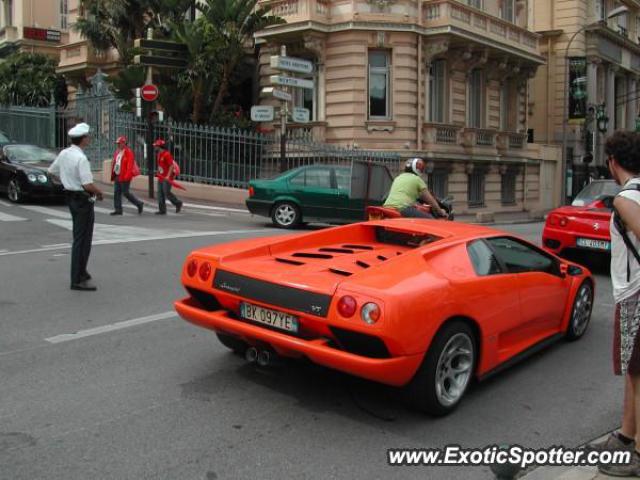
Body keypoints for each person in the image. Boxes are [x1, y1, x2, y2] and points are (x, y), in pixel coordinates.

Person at [588, 131, 640, 476]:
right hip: (632, 294)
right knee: (633, 372)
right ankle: (625, 436)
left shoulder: (625, 199)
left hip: (636, 295)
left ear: (612, 162)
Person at [48, 123, 103, 291]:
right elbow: (88, 185)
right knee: (83, 239)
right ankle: (77, 279)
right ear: (84, 139)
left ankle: (82, 271)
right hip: (82, 199)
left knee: (80, 237)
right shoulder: (81, 159)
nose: (89, 139)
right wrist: (100, 193)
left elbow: (51, 171)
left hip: (71, 197)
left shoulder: (64, 153)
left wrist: (65, 183)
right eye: (88, 136)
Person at [110, 136, 143, 215]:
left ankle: (138, 203)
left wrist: (127, 176)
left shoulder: (128, 152)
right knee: (116, 192)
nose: (118, 145)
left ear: (124, 143)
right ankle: (118, 209)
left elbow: (130, 166)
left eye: (119, 143)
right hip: (117, 175)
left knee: (125, 193)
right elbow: (115, 163)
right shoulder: (117, 152)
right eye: (117, 143)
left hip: (125, 176)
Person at [153, 138, 183, 215]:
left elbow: (171, 166)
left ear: (160, 146)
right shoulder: (159, 154)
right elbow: (160, 165)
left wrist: (168, 176)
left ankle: (177, 203)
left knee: (166, 192)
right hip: (161, 176)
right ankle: (162, 210)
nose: (155, 147)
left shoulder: (167, 154)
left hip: (167, 177)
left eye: (156, 146)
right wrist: (158, 171)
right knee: (160, 193)